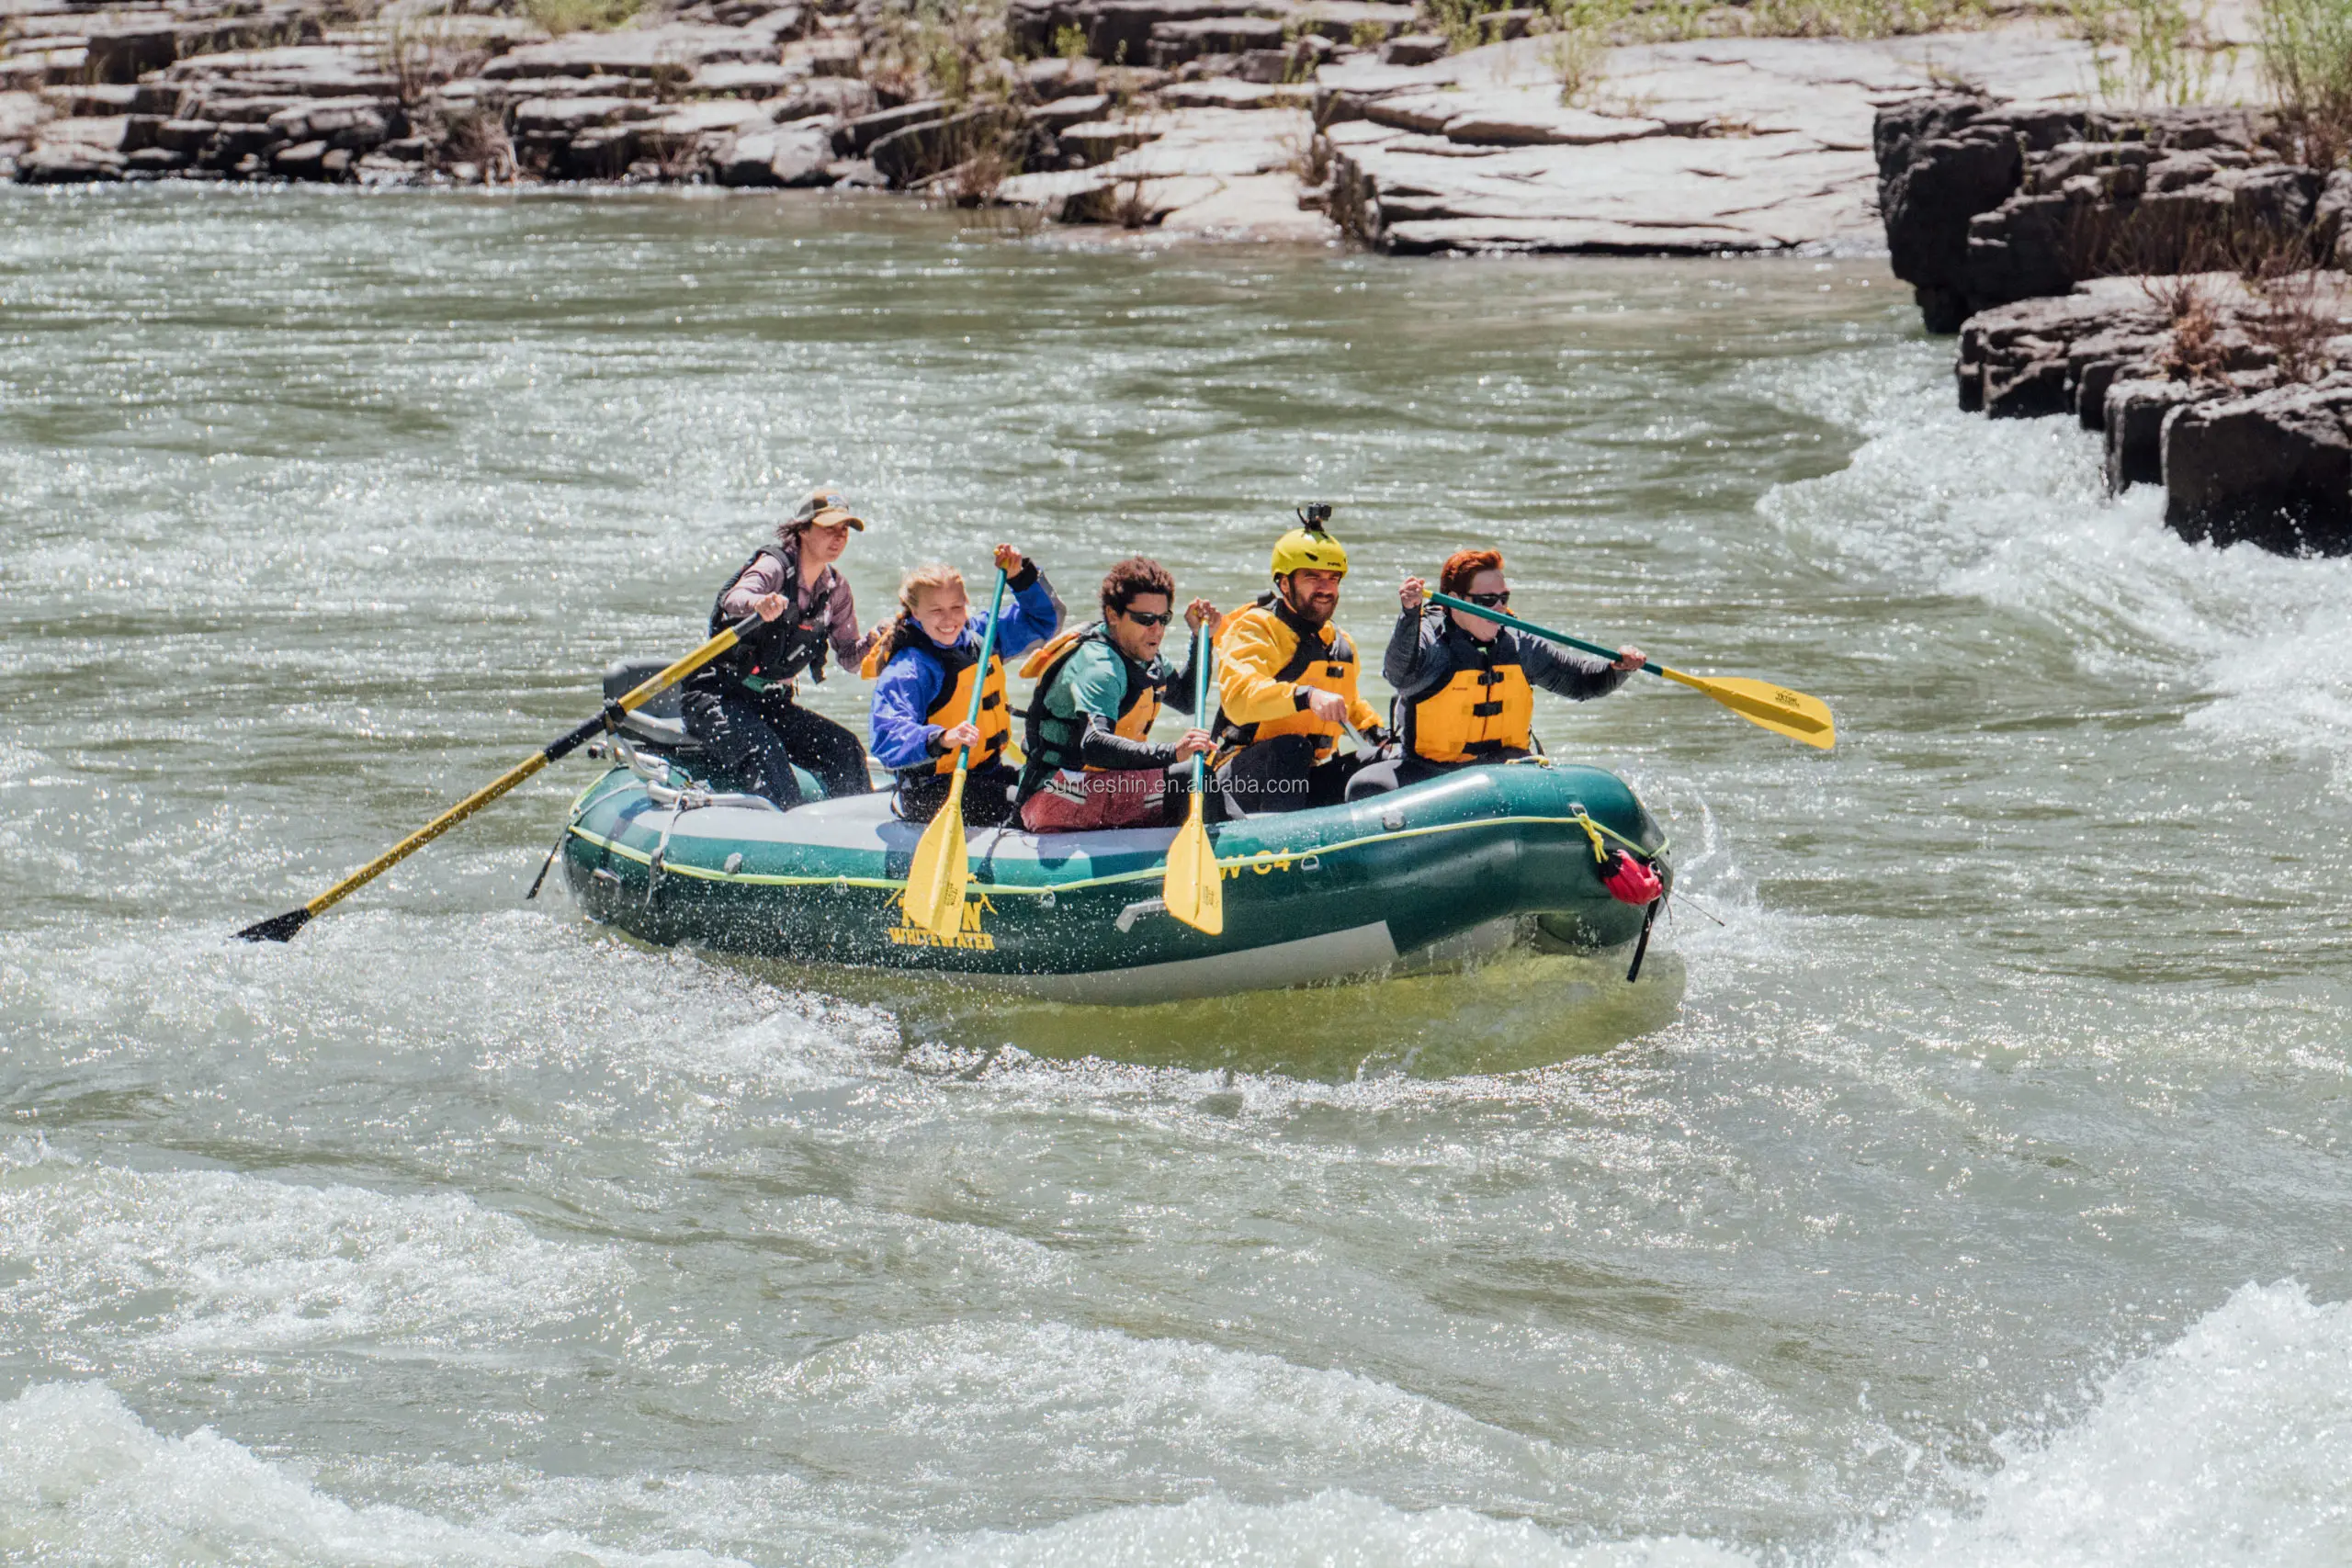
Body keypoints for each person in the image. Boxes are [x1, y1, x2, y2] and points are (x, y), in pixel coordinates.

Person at [1350, 547, 1645, 799]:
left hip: (1510, 770)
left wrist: (1617, 669)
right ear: (1457, 600)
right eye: (1488, 601)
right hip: (1433, 772)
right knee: (1364, 786)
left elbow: (1581, 683)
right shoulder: (1431, 640)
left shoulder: (1519, 644)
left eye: (1504, 598)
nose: (1500, 608)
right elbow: (1399, 674)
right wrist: (1410, 614)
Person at [678, 484, 876, 809]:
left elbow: (852, 659)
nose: (839, 537)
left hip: (769, 704)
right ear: (803, 530)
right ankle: (786, 837)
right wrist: (760, 603)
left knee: (845, 747)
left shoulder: (836, 590)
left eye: (845, 530)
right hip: (715, 696)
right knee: (764, 749)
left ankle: (855, 838)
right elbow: (733, 600)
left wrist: (879, 643)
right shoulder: (773, 566)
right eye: (829, 528)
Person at [1013, 557, 1219, 833]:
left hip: (1102, 787)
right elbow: (1094, 744)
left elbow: (1186, 699)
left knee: (1193, 781)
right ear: (1113, 615)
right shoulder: (1100, 667)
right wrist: (1172, 752)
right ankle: (1246, 857)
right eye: (1145, 619)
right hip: (1055, 796)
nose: (1156, 630)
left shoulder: (1144, 657)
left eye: (1163, 619)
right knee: (1192, 779)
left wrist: (1201, 639)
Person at [863, 545, 1063, 826]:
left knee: (1060, 792)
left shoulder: (980, 636)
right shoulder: (909, 670)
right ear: (915, 612)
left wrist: (1021, 577)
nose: (949, 620)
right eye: (937, 610)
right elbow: (886, 739)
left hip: (985, 774)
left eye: (956, 607)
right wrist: (941, 738)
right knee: (1037, 808)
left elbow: (1044, 621)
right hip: (933, 791)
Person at [1210, 504, 1391, 815]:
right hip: (1242, 780)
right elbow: (1240, 697)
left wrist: (1379, 735)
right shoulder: (1255, 627)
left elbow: (1350, 702)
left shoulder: (1341, 643)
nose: (1326, 588)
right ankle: (1275, 848)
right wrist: (1307, 696)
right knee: (1292, 747)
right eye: (1312, 577)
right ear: (1284, 583)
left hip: (1303, 775)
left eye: (1333, 578)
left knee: (1383, 763)